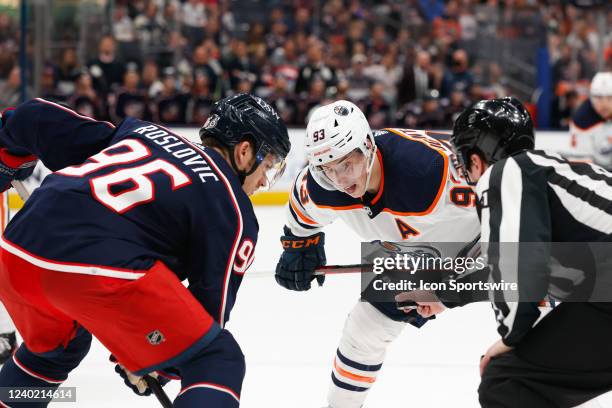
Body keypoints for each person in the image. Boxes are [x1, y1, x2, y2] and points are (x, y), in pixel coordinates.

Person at [0, 93, 290, 407]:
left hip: (16, 249)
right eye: (269, 165)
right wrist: (159, 364)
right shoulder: (233, 210)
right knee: (217, 358)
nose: (264, 182)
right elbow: (207, 316)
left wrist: (7, 157)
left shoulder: (142, 132)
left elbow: (33, 117)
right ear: (245, 151)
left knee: (56, 350)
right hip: (98, 267)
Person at [274, 100, 480, 408]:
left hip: (479, 241)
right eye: (328, 171)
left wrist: (450, 289)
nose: (341, 181)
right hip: (418, 253)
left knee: (539, 307)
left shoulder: (430, 171)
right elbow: (302, 208)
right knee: (365, 328)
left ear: (367, 145)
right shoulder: (320, 187)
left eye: (346, 164)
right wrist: (300, 243)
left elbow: (502, 209)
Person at [446, 96, 612, 407]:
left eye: (462, 160)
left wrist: (510, 337)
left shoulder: (506, 173)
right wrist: (444, 297)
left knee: (507, 382)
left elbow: (518, 270)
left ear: (476, 158)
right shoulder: (550, 171)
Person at [569, 72, 612, 169]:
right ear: (591, 97)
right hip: (596, 175)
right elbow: (582, 167)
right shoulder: (582, 120)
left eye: (610, 98)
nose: (604, 104)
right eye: (599, 98)